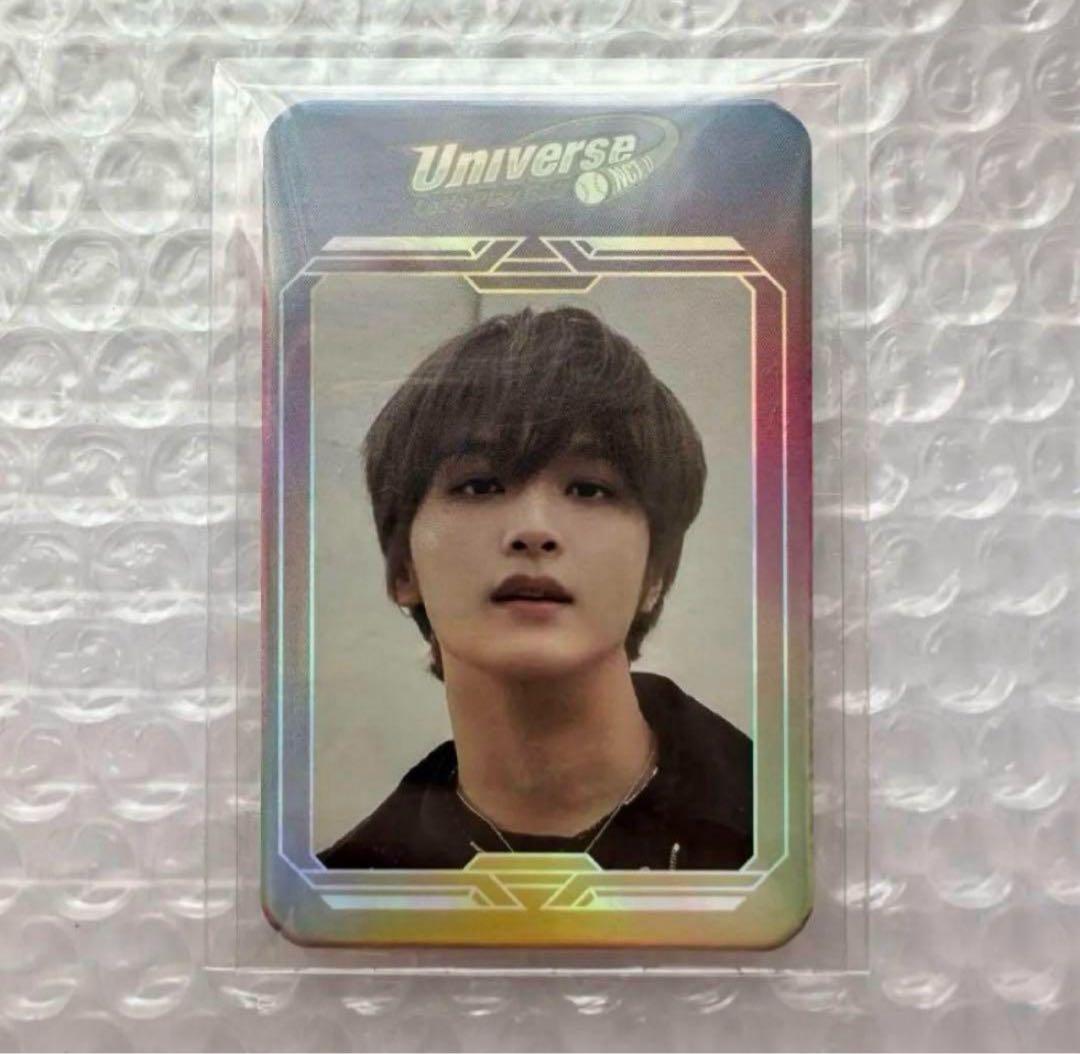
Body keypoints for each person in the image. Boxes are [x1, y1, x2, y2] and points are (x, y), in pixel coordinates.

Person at [319, 306, 752, 871]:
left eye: (589, 489)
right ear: (404, 570)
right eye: (479, 486)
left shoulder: (794, 833)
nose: (533, 530)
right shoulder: (348, 892)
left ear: (655, 574)